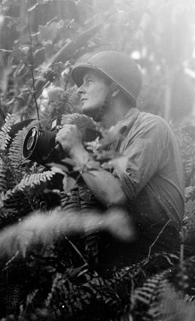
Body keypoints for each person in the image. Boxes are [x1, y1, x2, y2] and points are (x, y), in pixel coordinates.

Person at [55, 50, 185, 274]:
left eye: (89, 81)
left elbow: (115, 195)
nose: (80, 89)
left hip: (155, 257)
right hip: (120, 257)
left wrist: (76, 149)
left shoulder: (150, 127)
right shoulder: (106, 144)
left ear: (114, 89)